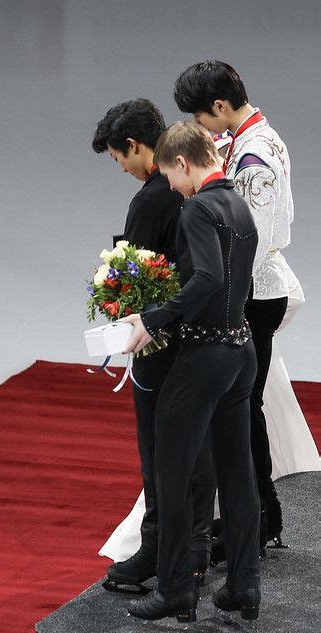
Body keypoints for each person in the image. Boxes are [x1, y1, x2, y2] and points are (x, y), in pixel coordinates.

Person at [121, 121, 261, 623]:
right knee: (237, 472)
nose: (172, 188)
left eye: (171, 176)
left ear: (182, 163)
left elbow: (208, 277)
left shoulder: (199, 207)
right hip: (241, 352)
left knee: (172, 471)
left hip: (203, 357)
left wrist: (152, 317)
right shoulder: (240, 204)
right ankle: (244, 585)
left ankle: (177, 588)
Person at [173, 59, 306, 550]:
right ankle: (256, 517)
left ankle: (258, 521)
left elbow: (256, 237)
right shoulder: (252, 140)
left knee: (241, 410)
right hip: (251, 288)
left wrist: (214, 295)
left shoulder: (255, 156)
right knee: (243, 408)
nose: (199, 127)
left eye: (201, 117)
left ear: (222, 106)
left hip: (253, 291)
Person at [91, 99, 216, 593]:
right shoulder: (203, 186)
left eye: (119, 157)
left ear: (136, 145)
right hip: (210, 337)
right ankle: (199, 550)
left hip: (161, 345)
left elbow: (139, 279)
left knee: (160, 451)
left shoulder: (150, 200)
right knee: (200, 449)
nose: (121, 166)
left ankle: (157, 554)